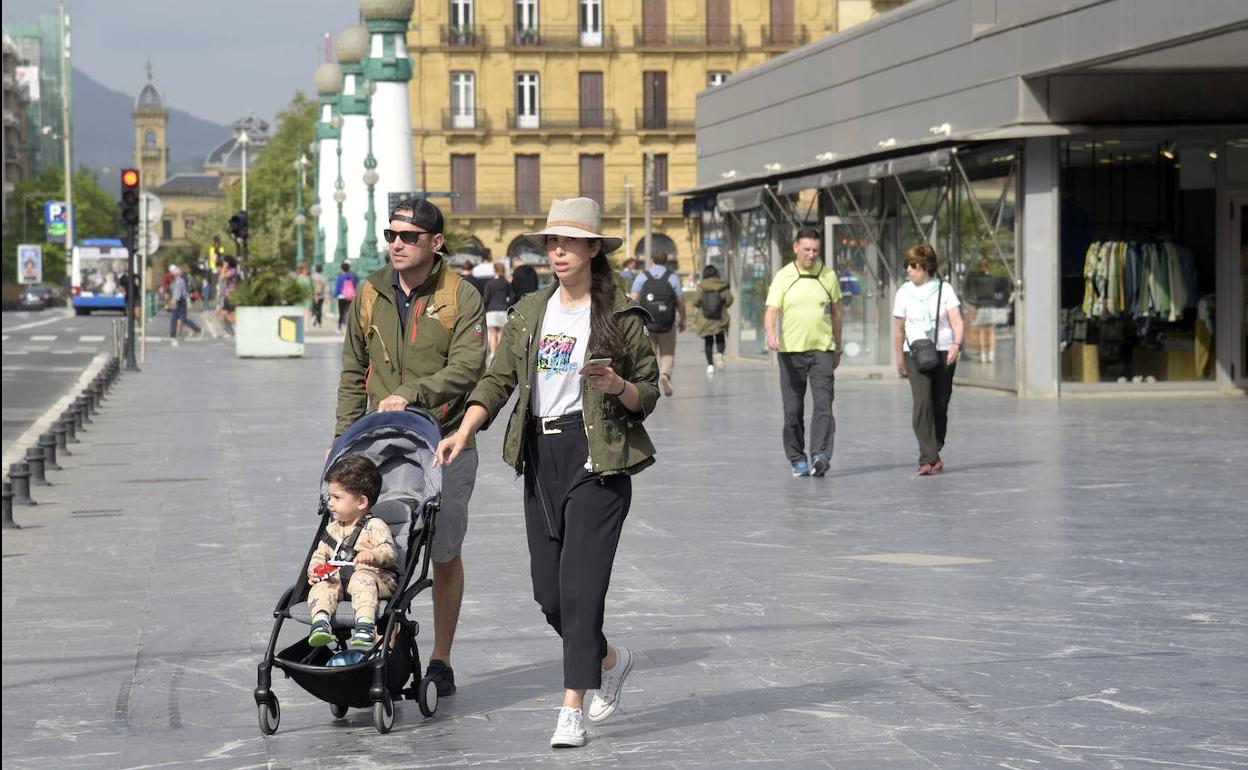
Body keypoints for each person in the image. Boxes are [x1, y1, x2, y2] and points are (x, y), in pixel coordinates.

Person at [435, 197, 659, 749]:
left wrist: (618, 388)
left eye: (568, 242)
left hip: (597, 456)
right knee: (549, 595)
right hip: (541, 456)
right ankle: (609, 658)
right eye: (551, 242)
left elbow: (647, 393)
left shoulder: (620, 315)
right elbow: (498, 378)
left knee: (580, 590)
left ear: (591, 250)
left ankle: (571, 708)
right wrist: (466, 430)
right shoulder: (533, 310)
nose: (557, 251)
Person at [335, 198, 486, 697]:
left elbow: (468, 367)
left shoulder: (460, 296)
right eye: (391, 235)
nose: (397, 244)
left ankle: (441, 658)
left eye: (409, 236)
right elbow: (353, 373)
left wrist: (414, 395)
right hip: (381, 445)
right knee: (380, 545)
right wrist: (343, 447)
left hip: (445, 440)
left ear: (435, 243)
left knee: (442, 550)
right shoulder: (371, 293)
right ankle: (381, 641)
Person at [764, 226, 843, 478]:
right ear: (795, 248)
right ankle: (797, 457)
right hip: (790, 352)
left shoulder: (828, 275)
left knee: (823, 404)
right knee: (792, 409)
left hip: (822, 350)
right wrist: (770, 332)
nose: (811, 254)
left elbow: (837, 313)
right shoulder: (784, 276)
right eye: (807, 249)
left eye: (816, 250)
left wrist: (837, 346)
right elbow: (771, 311)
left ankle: (820, 454)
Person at [305, 455, 398, 650]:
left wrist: (373, 556)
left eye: (337, 498)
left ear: (361, 502)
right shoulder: (332, 529)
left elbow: (389, 551)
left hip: (375, 580)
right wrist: (314, 569)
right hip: (340, 582)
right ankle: (321, 621)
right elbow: (320, 554)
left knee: (361, 579)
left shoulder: (374, 526)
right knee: (322, 586)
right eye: (330, 497)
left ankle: (365, 624)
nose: (330, 503)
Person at [892, 243, 964, 476]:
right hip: (914, 352)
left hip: (944, 351)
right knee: (922, 403)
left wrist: (956, 344)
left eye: (913, 265)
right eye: (906, 266)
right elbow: (898, 329)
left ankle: (935, 449)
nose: (908, 270)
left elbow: (957, 322)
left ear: (926, 266)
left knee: (940, 403)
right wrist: (899, 359)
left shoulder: (945, 289)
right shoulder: (903, 292)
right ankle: (927, 458)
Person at [630, 248, 685, 396]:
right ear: (666, 261)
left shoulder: (642, 276)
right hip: (667, 323)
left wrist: (634, 320)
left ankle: (650, 384)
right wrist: (683, 319)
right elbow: (680, 302)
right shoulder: (672, 277)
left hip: (647, 322)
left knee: (650, 353)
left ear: (652, 261)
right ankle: (665, 375)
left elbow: (633, 299)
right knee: (667, 353)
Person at [964, 258, 1011, 363]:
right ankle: (991, 355)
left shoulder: (977, 280)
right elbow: (1003, 287)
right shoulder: (993, 279)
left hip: (981, 306)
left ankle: (983, 355)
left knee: (982, 332)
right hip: (991, 306)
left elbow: (971, 290)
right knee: (991, 332)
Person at [693, 264, 733, 375]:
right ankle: (720, 354)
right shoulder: (723, 286)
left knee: (708, 341)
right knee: (720, 337)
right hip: (720, 317)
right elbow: (729, 301)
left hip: (705, 319)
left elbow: (695, 302)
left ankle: (710, 365)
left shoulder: (701, 286)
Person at [481, 261, 511, 360]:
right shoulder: (506, 283)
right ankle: (499, 354)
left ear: (494, 270)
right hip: (503, 310)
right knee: (501, 333)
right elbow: (512, 297)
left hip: (491, 311)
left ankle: (493, 353)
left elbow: (485, 299)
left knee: (492, 332)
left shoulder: (489, 283)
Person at [168, 266, 202, 343]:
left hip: (180, 302)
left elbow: (178, 293)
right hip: (179, 301)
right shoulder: (176, 280)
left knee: (183, 319)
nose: (172, 273)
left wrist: (174, 302)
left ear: (176, 273)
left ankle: (197, 329)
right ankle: (172, 334)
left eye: (173, 272)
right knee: (174, 317)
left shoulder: (179, 280)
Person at [334, 262, 357, 331]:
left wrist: (335, 296)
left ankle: (339, 327)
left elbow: (337, 287)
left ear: (342, 268)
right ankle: (349, 327)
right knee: (349, 312)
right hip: (350, 296)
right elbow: (354, 286)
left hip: (341, 296)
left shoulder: (340, 277)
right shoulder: (352, 277)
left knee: (341, 312)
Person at [295, 264, 314, 329]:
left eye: (307, 269)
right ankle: (300, 325)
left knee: (307, 311)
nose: (306, 271)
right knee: (301, 311)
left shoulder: (309, 278)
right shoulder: (298, 278)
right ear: (301, 270)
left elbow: (312, 287)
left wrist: (314, 296)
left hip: (308, 297)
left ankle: (306, 327)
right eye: (304, 269)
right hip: (300, 297)